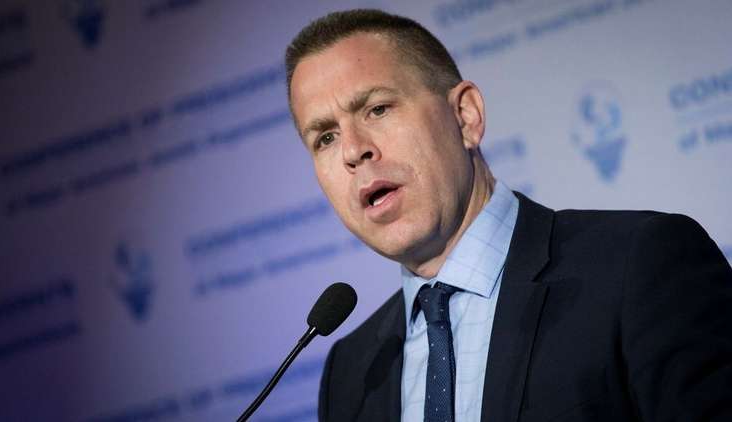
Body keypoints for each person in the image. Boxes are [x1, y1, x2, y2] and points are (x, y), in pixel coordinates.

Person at [285, 9, 732, 422]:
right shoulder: (352, 372)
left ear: (466, 116)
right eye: (325, 137)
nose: (352, 151)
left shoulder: (639, 264)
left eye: (377, 109)